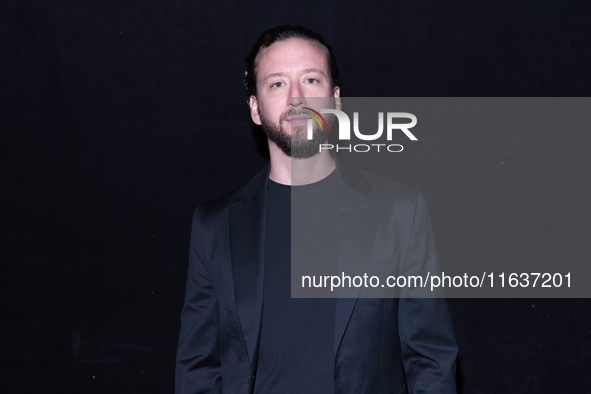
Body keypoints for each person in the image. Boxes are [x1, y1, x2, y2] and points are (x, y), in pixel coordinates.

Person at [176, 25, 457, 394]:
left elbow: (431, 359)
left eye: (311, 79)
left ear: (336, 100)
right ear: (255, 108)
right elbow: (198, 368)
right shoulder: (214, 225)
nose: (296, 98)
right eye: (277, 84)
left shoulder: (400, 212)